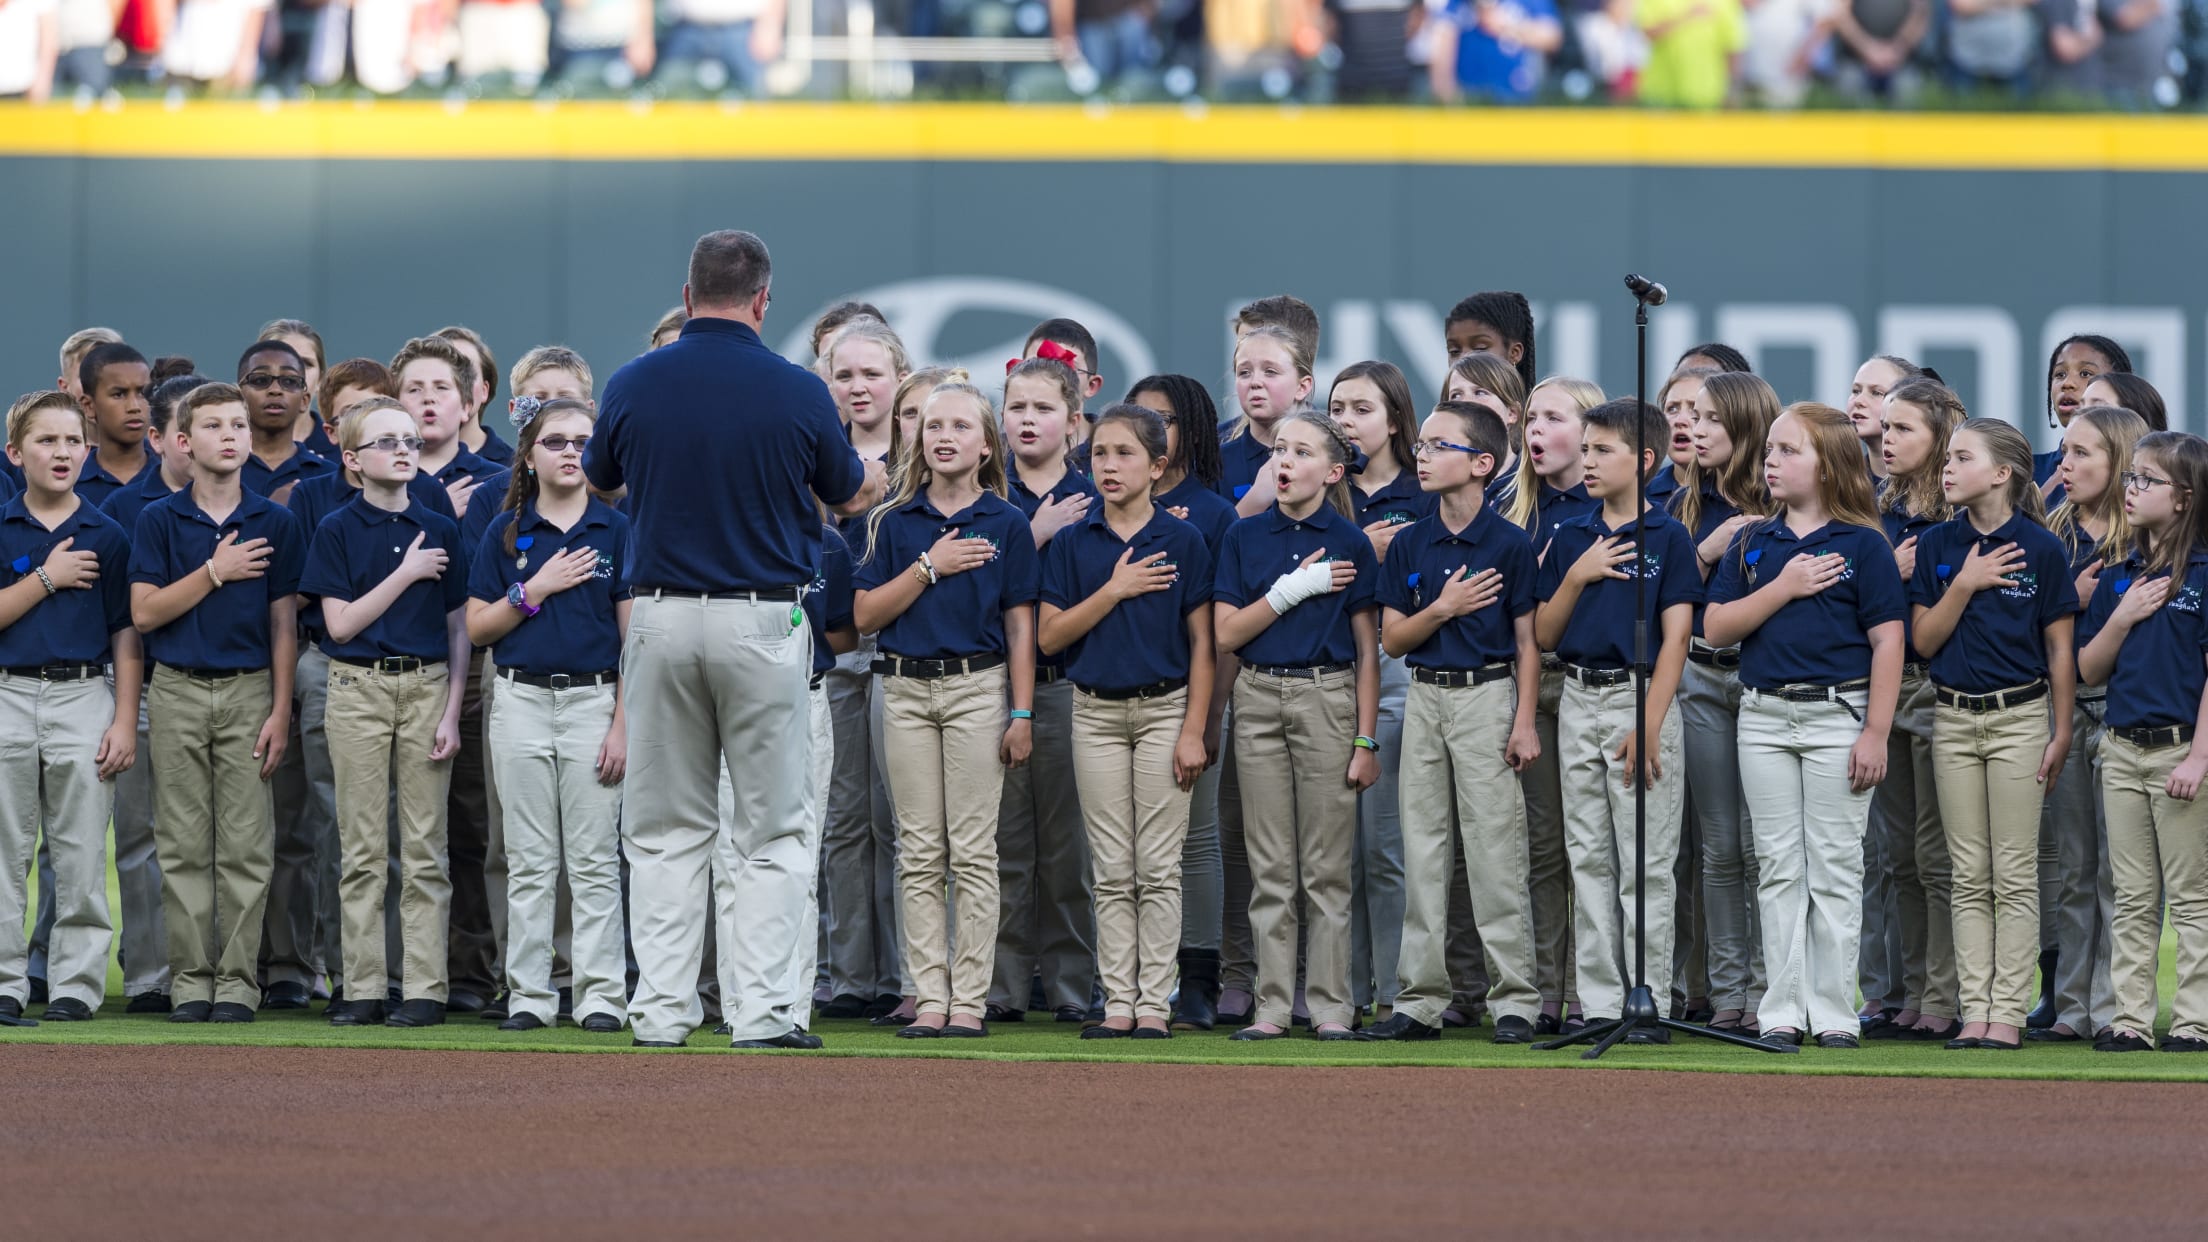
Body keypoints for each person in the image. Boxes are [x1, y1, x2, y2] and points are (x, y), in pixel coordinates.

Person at [582, 229, 884, 1050]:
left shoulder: (636, 379)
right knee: (773, 829)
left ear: (687, 297)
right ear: (761, 301)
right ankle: (760, 1014)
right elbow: (847, 491)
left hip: (661, 613)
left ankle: (662, 1013)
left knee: (664, 828)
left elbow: (601, 477)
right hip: (762, 616)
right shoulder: (795, 388)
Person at [1703, 402, 1906, 1049]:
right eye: (1771, 450)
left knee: (1837, 867)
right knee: (1780, 867)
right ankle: (1783, 1010)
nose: (1772, 461)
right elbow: (1715, 628)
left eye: (1789, 450)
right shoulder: (1753, 542)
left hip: (1837, 717)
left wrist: (1876, 731)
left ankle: (1835, 1012)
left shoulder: (1862, 545)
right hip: (1763, 716)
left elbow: (1888, 642)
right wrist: (1784, 586)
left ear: (1830, 465)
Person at [856, 381, 1038, 1039]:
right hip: (905, 689)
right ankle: (929, 997)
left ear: (985, 444)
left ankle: (969, 1000)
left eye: (961, 426)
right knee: (919, 849)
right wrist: (930, 567)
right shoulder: (892, 522)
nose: (944, 436)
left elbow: (1022, 628)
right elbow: (865, 615)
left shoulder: (1007, 523)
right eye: (934, 425)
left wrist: (1021, 714)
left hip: (976, 690)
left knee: (972, 849)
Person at [1365, 400, 1541, 1043]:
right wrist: (1443, 606)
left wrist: (1524, 723)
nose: (1425, 455)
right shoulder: (1410, 538)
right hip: (1426, 696)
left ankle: (1516, 1000)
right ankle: (1418, 1001)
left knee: (1496, 851)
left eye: (1442, 446)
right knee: (1424, 850)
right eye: (1425, 445)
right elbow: (1393, 640)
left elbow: (1527, 644)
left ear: (1482, 464)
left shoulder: (1510, 542)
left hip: (1487, 697)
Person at [129, 381, 304, 1024]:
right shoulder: (159, 518)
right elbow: (144, 614)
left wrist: (281, 710)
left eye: (238, 425)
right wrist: (214, 571)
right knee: (180, 844)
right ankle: (190, 979)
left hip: (249, 688)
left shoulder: (274, 521)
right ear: (184, 441)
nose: (230, 436)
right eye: (213, 426)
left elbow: (284, 624)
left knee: (246, 846)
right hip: (174, 687)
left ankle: (235, 982)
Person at [1040, 403, 1215, 1039]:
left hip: (1166, 708)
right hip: (1094, 714)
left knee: (1158, 866)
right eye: (1100, 453)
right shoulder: (1072, 541)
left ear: (1157, 465)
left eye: (1125, 453)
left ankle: (1153, 1004)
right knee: (1112, 866)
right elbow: (1051, 635)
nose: (1108, 466)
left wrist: (1194, 729)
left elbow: (1204, 645)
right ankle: (1119, 1001)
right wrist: (1114, 589)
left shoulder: (1184, 539)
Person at [1535, 398, 1702, 1040]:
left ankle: (1647, 998)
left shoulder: (1668, 536)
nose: (1590, 460)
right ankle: (1600, 1004)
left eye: (1604, 450)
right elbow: (1547, 631)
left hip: (1641, 697)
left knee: (1647, 860)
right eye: (1589, 447)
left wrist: (1651, 721)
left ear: (1646, 461)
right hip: (1579, 695)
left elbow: (1677, 638)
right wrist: (1576, 575)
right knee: (1589, 857)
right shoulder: (1571, 533)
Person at [302, 398, 471, 1029]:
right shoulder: (337, 529)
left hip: (426, 686)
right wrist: (405, 574)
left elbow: (459, 629)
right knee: (363, 847)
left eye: (409, 440)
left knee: (426, 848)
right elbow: (340, 625)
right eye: (384, 442)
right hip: (358, 687)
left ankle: (426, 987)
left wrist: (452, 710)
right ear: (352, 460)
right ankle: (363, 986)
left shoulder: (443, 528)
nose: (403, 449)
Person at [1909, 417, 2077, 1051]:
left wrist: (2060, 730)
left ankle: (2005, 1013)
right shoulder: (1937, 546)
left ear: (2002, 473)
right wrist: (1965, 582)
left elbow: (2060, 650)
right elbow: (1923, 643)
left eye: (1961, 457)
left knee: (2013, 871)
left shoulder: (2042, 547)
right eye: (1947, 457)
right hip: (1952, 717)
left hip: (2020, 719)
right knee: (1967, 871)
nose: (1947, 468)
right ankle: (1973, 1010)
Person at [1214, 409, 1380, 1041]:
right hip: (1256, 697)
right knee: (1270, 866)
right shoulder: (1243, 536)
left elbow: (1368, 651)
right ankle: (1272, 1007)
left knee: (1326, 866)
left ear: (1333, 470)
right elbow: (1227, 633)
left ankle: (1332, 1006)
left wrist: (1365, 739)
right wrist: (1292, 589)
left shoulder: (1351, 541)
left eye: (1302, 452)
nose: (1283, 462)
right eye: (1279, 450)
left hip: (1326, 696)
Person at [466, 397, 630, 1035]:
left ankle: (598, 997)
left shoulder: (616, 529)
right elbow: (480, 626)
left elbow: (632, 639)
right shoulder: (505, 531)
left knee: (592, 861)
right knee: (530, 860)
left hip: (593, 700)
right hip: (521, 700)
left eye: (581, 442)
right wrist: (533, 589)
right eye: (555, 441)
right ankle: (529, 996)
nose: (569, 452)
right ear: (529, 457)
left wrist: (622, 722)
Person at [0, 391, 141, 1028]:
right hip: (7, 691)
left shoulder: (107, 533)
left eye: (70, 442)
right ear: (15, 453)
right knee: (8, 850)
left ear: (87, 453)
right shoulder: (3, 527)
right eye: (44, 441)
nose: (60, 452)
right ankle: (6, 982)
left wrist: (121, 719)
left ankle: (76, 983)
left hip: (85, 693)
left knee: (82, 849)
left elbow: (125, 634)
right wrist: (47, 577)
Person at [2076, 430, 2208, 1053]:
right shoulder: (2120, 572)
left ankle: (2194, 1021)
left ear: (2183, 498)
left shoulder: (2204, 572)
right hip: (2121, 748)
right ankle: (2130, 1020)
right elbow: (2088, 670)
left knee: (2191, 896)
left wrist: (2201, 756)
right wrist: (2123, 616)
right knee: (2131, 896)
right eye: (2131, 478)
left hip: (2182, 750)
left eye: (2146, 481)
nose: (2131, 490)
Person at [393, 334, 505, 1014]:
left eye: (441, 389)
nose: (428, 400)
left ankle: (473, 971)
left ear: (469, 402)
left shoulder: (497, 478)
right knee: (398, 838)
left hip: (476, 668)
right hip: (390, 670)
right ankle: (398, 975)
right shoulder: (380, 477)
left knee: (472, 826)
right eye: (414, 389)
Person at [989, 357, 1099, 1026]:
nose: (1028, 421)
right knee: (1001, 846)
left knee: (1066, 852)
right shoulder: (984, 496)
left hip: (1068, 692)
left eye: (1043, 409)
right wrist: (1029, 537)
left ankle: (1070, 986)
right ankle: (999, 987)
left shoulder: (1096, 494)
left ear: (1074, 421)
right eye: (1017, 409)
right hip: (990, 687)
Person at [1125, 374, 1236, 1028]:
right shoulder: (1099, 506)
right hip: (1111, 701)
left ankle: (1197, 976)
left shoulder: (1213, 513)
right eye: (1141, 416)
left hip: (1185, 699)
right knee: (1120, 848)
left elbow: (1217, 633)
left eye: (1163, 418)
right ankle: (1129, 978)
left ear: (1189, 431)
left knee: (1193, 843)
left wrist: (1211, 714)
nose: (1151, 427)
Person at [2035, 403, 2148, 1043]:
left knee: (2121, 874)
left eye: (2083, 454)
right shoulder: (2049, 533)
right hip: (2064, 711)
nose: (2066, 464)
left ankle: (2116, 1009)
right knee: (2074, 868)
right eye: (2065, 451)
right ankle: (2072, 1006)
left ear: (2123, 463)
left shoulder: (2150, 540)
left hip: (2124, 716)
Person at [1673, 370, 1777, 1033]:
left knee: (1765, 845)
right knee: (1719, 848)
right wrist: (1705, 549)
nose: (1695, 429)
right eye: (1692, 417)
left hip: (1765, 680)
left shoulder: (1785, 497)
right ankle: (1729, 992)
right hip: (1701, 678)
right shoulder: (1683, 504)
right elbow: (1659, 593)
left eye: (1711, 419)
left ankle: (1771, 992)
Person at [817, 317, 913, 1026]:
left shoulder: (926, 453)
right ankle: (850, 976)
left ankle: (911, 978)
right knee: (844, 820)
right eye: (843, 374)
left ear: (899, 378)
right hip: (833, 653)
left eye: (871, 373)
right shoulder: (814, 457)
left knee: (903, 823)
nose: (857, 387)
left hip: (905, 656)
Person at [1331, 360, 1427, 1022]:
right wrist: (1363, 547)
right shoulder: (1322, 488)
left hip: (1394, 672)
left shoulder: (1424, 493)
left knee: (1382, 846)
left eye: (1361, 409)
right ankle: (1338, 990)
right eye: (1336, 408)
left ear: (1395, 420)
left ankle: (1391, 991)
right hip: (1322, 671)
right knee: (1333, 853)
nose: (1345, 422)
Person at [1510, 373, 1602, 1032]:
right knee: (1544, 847)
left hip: (1591, 681)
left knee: (1593, 847)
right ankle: (1548, 988)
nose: (1536, 431)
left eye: (1553, 418)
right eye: (1531, 419)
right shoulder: (1511, 509)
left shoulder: (1614, 510)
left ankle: (1592, 990)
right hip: (1530, 687)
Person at [1224, 325, 1317, 517]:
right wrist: (1256, 499)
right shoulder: (1215, 463)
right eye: (1244, 372)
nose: (1255, 382)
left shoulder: (1330, 456)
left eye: (1270, 371)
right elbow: (1207, 545)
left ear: (1302, 386)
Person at [238, 340, 332, 506]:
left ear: (304, 401)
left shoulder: (329, 476)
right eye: (260, 380)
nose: (275, 390)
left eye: (289, 381)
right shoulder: (218, 471)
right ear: (239, 398)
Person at [73, 342, 157, 509]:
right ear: (88, 406)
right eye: (119, 394)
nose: (134, 406)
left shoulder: (174, 477)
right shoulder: (69, 482)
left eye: (142, 393)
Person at [437, 326, 515, 470]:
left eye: (466, 373)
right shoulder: (404, 458)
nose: (453, 382)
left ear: (485, 390)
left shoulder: (515, 467)